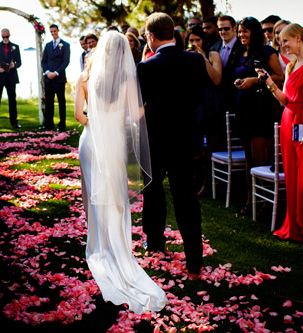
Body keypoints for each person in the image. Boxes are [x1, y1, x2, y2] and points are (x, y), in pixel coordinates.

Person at [74, 31, 167, 313]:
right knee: (114, 194)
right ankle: (116, 247)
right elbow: (137, 113)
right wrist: (117, 119)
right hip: (113, 139)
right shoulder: (128, 79)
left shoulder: (86, 77)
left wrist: (98, 119)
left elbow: (80, 116)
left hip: (91, 140)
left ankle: (98, 245)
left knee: (93, 193)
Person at [137, 13, 208, 279]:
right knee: (186, 198)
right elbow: (200, 97)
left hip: (155, 140)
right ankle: (194, 258)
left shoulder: (145, 67)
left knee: (153, 192)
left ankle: (154, 242)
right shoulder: (195, 60)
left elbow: (140, 105)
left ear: (152, 36)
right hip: (186, 139)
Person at [258, 23, 303, 242]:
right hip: (289, 120)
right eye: (280, 43)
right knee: (291, 174)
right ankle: (293, 226)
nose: (283, 46)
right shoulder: (291, 65)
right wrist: (269, 82)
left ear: (299, 38)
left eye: (285, 41)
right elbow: (284, 99)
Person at [232, 17, 284, 215]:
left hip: (261, 108)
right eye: (239, 32)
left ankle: (265, 201)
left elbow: (280, 77)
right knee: (248, 158)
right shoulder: (239, 53)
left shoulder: (267, 52)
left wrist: (255, 80)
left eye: (245, 31)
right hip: (243, 107)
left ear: (254, 32)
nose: (241, 35)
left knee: (260, 157)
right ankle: (249, 199)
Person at [185, 25, 223, 196]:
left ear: (203, 41)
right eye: (191, 40)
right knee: (194, 148)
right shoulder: (185, 57)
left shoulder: (212, 55)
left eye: (197, 40)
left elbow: (216, 79)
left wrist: (202, 58)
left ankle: (207, 185)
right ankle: (194, 181)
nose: (194, 43)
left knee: (210, 149)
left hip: (211, 104)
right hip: (193, 106)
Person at [0, 28, 22, 129]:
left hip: (11, 77)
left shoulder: (15, 47)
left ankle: (14, 122)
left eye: (7, 36)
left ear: (9, 35)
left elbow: (19, 62)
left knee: (12, 100)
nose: (5, 38)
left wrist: (14, 65)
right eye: (3, 37)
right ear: (1, 36)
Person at [41, 24, 70, 131]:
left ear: (58, 30)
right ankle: (49, 124)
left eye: (54, 31)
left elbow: (66, 61)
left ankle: (62, 124)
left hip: (59, 78)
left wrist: (56, 72)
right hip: (48, 78)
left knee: (61, 102)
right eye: (51, 31)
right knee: (49, 102)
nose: (53, 33)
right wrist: (47, 72)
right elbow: (43, 61)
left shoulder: (65, 45)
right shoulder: (48, 45)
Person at [212, 15, 243, 114]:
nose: (223, 32)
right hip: (219, 99)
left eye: (226, 28)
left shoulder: (243, 47)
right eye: (220, 29)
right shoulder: (214, 48)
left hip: (238, 97)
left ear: (234, 28)